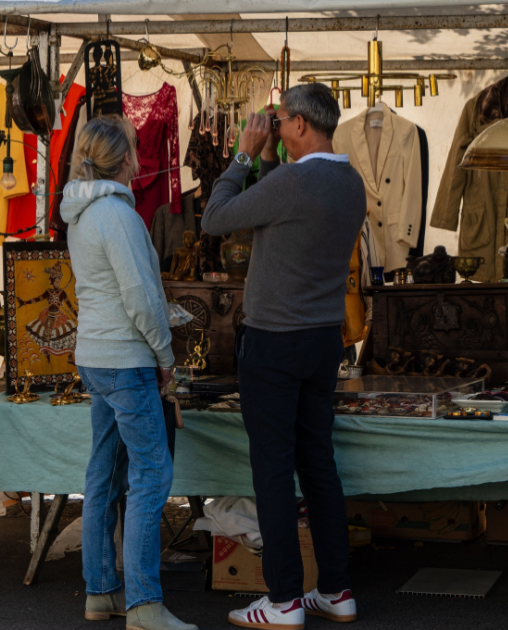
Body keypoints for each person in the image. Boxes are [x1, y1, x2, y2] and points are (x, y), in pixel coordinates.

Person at [201, 83, 366, 629]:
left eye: (281, 121)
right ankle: (337, 590)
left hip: (274, 340)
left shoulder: (296, 180)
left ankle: (284, 600)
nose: (275, 126)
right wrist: (271, 161)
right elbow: (287, 213)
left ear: (298, 124)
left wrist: (245, 153)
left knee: (272, 470)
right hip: (322, 338)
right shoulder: (348, 181)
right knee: (318, 464)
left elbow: (215, 217)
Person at [60, 115, 195, 630]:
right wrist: (165, 358)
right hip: (126, 358)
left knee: (103, 475)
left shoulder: (81, 212)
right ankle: (144, 605)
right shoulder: (118, 215)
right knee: (151, 475)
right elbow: (141, 297)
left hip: (95, 354)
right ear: (127, 160)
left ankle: (102, 594)